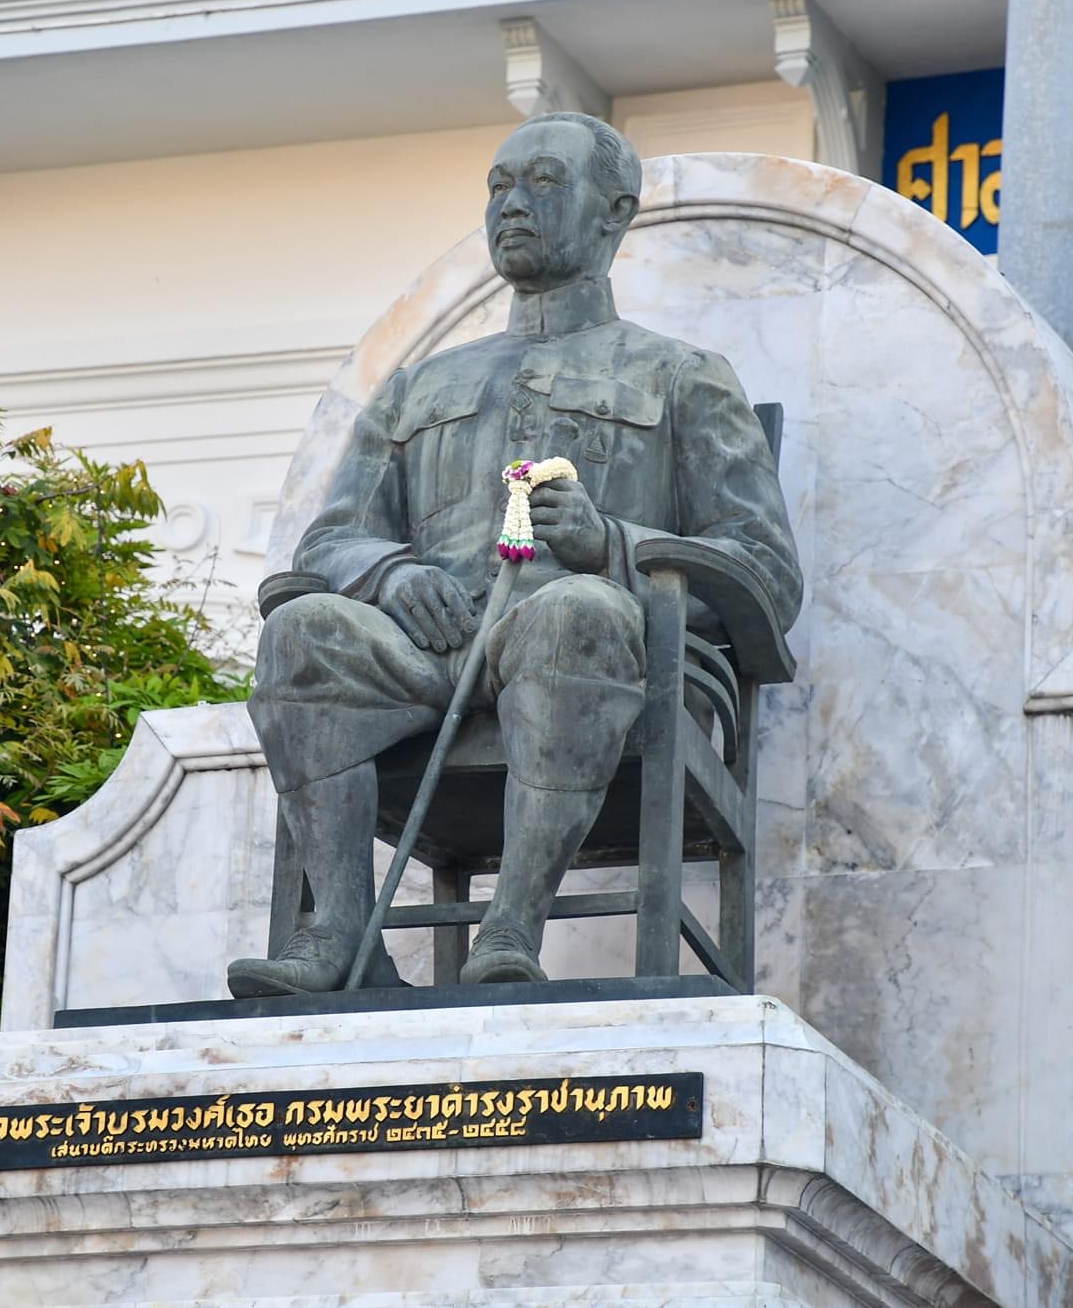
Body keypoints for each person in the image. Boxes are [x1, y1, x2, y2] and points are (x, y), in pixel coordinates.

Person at [230, 111, 800, 995]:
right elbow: (332, 538)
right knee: (302, 629)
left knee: (575, 613)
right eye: (498, 186)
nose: (513, 204)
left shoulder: (682, 375)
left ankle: (511, 929)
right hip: (424, 646)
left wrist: (613, 542)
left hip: (593, 647)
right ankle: (341, 931)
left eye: (542, 182)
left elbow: (765, 566)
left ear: (614, 214)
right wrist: (392, 573)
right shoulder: (421, 384)